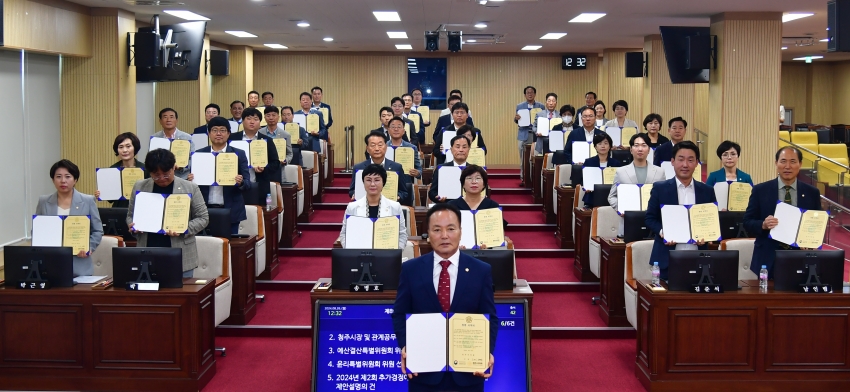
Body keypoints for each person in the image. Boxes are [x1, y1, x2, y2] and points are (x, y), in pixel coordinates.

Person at [392, 203, 497, 392]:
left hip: (468, 373)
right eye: (437, 230)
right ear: (428, 234)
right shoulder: (411, 270)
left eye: (450, 229)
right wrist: (405, 346)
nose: (444, 236)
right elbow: (399, 313)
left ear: (460, 231)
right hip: (424, 372)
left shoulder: (481, 271)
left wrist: (486, 351)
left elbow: (490, 316)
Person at [126, 149, 209, 278]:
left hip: (180, 251)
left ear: (173, 168)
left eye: (166, 174)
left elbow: (203, 218)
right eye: (156, 175)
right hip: (148, 249)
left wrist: (183, 229)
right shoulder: (140, 186)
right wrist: (132, 225)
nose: (161, 179)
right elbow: (130, 214)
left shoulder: (190, 187)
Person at [743, 147, 822, 278]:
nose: (787, 166)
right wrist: (763, 224)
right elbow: (747, 222)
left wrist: (811, 242)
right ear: (776, 163)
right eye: (783, 161)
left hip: (800, 256)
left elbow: (817, 224)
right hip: (768, 258)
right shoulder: (760, 190)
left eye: (793, 161)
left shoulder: (812, 192)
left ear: (800, 164)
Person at [645, 141, 717, 280]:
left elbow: (712, 221)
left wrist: (707, 236)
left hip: (699, 255)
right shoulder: (660, 188)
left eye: (690, 160)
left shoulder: (707, 191)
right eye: (681, 159)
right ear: (672, 161)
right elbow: (650, 219)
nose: (685, 165)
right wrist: (662, 232)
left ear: (697, 163)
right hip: (667, 256)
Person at [36, 159, 103, 277]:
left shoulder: (87, 200)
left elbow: (97, 230)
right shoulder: (43, 201)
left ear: (75, 180)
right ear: (53, 180)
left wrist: (88, 247)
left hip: (80, 265)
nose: (63, 181)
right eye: (58, 176)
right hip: (50, 264)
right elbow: (37, 230)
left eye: (68, 176)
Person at [196, 116, 250, 234]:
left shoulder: (238, 154)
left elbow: (247, 184)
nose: (218, 133)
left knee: (230, 248)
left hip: (231, 210)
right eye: (214, 130)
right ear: (209, 133)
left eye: (223, 130)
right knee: (205, 247)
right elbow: (193, 185)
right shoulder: (199, 154)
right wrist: (190, 180)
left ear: (229, 133)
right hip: (204, 210)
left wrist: (241, 182)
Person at [339, 164, 408, 249]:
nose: (372, 184)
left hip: (387, 257)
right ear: (363, 183)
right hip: (359, 256)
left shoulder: (395, 207)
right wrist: (352, 253)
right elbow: (344, 234)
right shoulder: (352, 207)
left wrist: (393, 254)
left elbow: (402, 235)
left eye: (377, 180)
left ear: (383, 183)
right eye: (368, 180)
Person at [230, 107, 281, 206]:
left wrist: (264, 168)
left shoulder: (267, 140)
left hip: (259, 183)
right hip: (236, 183)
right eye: (248, 118)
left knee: (259, 214)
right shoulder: (232, 139)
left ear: (260, 122)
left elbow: (275, 163)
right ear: (243, 121)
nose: (252, 122)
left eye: (256, 119)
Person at [348, 130, 410, 205]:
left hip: (389, 207)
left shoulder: (396, 167)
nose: (377, 149)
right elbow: (352, 190)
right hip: (365, 206)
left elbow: (404, 192)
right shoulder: (359, 168)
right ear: (367, 149)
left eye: (380, 145)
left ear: (386, 147)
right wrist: (355, 194)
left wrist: (398, 196)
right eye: (373, 145)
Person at [608, 133, 667, 211]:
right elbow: (612, 197)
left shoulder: (660, 172)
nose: (640, 149)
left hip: (652, 219)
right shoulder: (621, 171)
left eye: (644, 145)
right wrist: (621, 208)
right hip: (629, 218)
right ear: (631, 150)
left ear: (649, 150)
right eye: (636, 145)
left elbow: (664, 196)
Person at [95, 132, 150, 208]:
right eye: (121, 147)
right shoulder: (112, 169)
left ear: (135, 147)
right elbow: (110, 200)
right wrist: (102, 194)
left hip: (140, 209)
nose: (124, 150)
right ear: (117, 150)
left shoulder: (145, 168)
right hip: (119, 210)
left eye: (128, 146)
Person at [448, 164, 508, 231]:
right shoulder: (451, 206)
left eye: (478, 178)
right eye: (469, 178)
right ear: (463, 184)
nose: (474, 182)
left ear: (484, 184)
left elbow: (498, 230)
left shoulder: (493, 206)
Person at [577, 133, 625, 207]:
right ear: (595, 147)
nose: (603, 146)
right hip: (592, 197)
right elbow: (583, 180)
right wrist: (586, 186)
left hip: (611, 197)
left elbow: (620, 181)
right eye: (599, 143)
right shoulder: (589, 162)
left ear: (610, 146)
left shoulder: (616, 163)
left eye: (606, 143)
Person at [153, 108, 194, 180]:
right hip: (161, 178)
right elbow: (151, 158)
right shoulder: (155, 138)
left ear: (176, 120)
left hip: (182, 177)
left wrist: (182, 167)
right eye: (165, 117)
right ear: (160, 121)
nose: (168, 120)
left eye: (171, 117)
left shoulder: (187, 138)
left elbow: (193, 159)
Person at [429, 135, 471, 204]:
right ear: (451, 150)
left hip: (469, 207)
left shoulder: (474, 170)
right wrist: (438, 197)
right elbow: (432, 192)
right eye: (457, 147)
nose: (461, 150)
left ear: (469, 149)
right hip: (446, 206)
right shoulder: (441, 169)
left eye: (464, 147)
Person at [514, 86, 545, 177]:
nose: (530, 94)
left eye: (532, 92)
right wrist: (516, 119)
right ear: (525, 95)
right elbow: (517, 121)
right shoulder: (520, 106)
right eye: (528, 92)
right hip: (523, 134)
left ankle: (534, 176)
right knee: (523, 156)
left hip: (536, 134)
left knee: (535, 156)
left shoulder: (541, 106)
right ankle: (523, 175)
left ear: (535, 94)